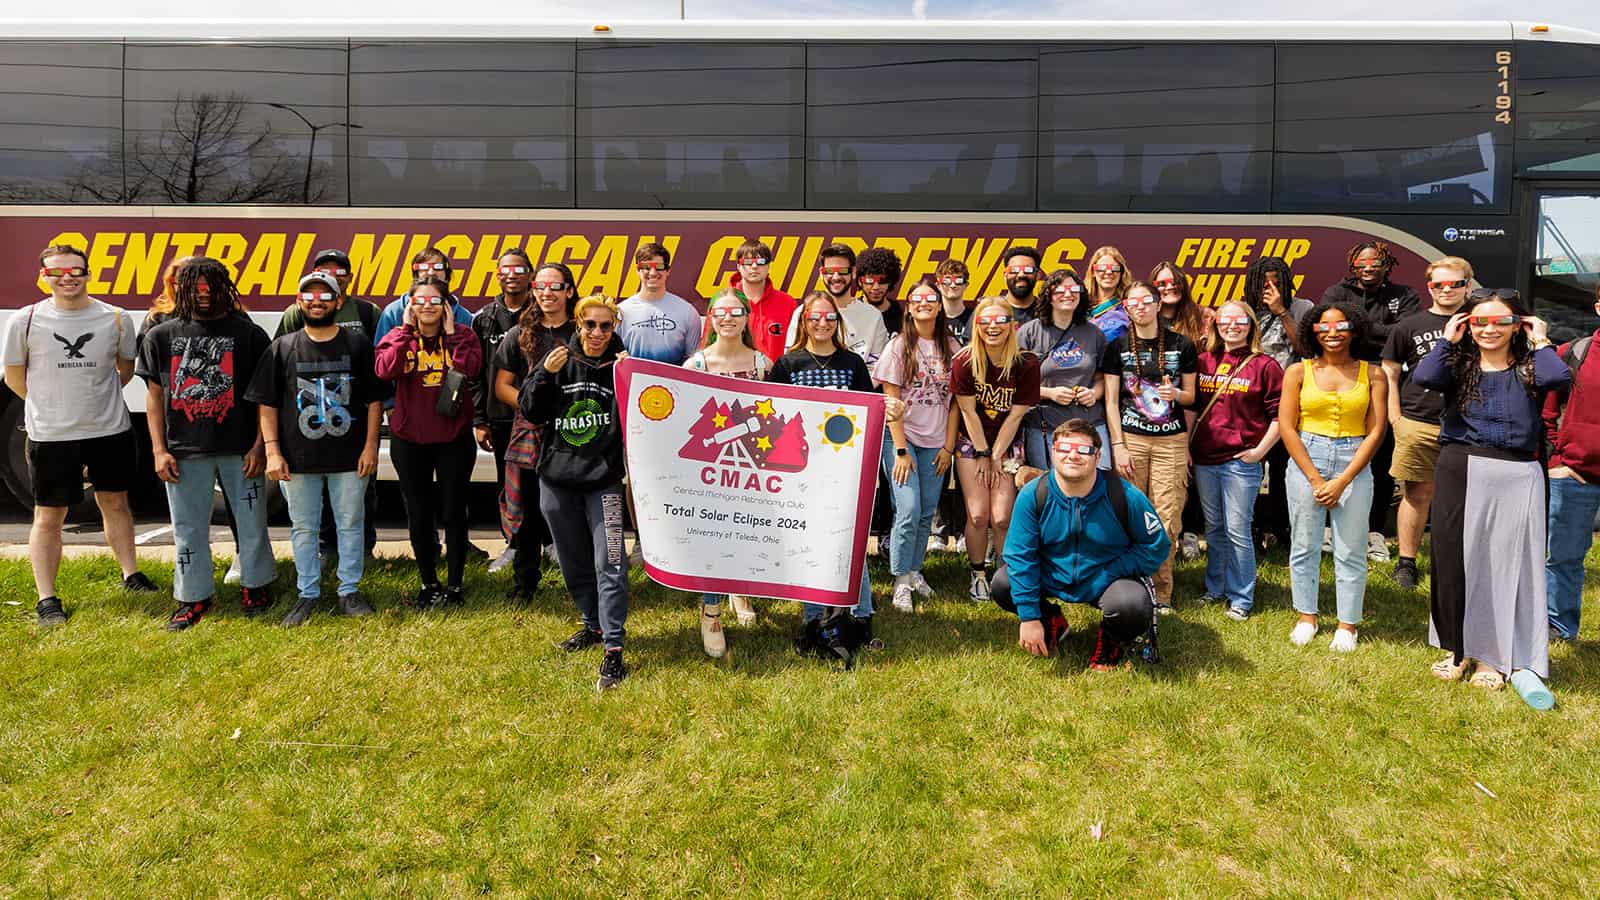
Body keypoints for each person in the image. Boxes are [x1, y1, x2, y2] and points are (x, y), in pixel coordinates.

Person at [1413, 289, 1568, 689]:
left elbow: (1558, 378)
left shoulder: (1534, 365)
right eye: (1480, 321)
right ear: (1468, 325)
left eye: (1502, 321)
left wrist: (1541, 339)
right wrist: (1448, 339)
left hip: (1517, 473)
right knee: (1453, 562)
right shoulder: (1457, 365)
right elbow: (1424, 377)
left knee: (1503, 567)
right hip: (1460, 469)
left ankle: (1492, 658)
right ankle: (1457, 650)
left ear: (1519, 325)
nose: (1490, 329)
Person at [3, 244, 158, 627]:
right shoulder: (24, 321)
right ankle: (47, 598)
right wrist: (51, 406)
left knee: (117, 503)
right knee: (49, 516)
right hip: (51, 435)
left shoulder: (117, 319)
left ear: (88, 274)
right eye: (57, 272)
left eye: (75, 270)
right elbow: (15, 378)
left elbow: (123, 372)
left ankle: (131, 575)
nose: (67, 278)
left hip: (110, 430)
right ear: (44, 277)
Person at [137, 256, 275, 630]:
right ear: (179, 289)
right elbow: (153, 398)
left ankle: (256, 586)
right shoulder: (160, 336)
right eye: (193, 288)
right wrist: (158, 449)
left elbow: (264, 395)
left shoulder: (249, 333)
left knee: (251, 523)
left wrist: (260, 445)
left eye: (209, 287)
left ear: (222, 288)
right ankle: (193, 597)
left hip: (240, 449)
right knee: (188, 527)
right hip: (184, 449)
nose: (202, 295)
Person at [246, 271, 384, 627]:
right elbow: (267, 404)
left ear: (339, 302)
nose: (317, 301)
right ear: (299, 301)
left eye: (326, 295)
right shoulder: (283, 347)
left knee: (350, 523)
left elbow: (373, 401)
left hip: (350, 456)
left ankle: (348, 591)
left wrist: (370, 446)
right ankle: (307, 594)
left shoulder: (357, 345)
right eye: (310, 295)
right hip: (297, 459)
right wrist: (273, 452)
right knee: (304, 528)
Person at [521, 294, 632, 691]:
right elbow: (531, 412)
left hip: (603, 482)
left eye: (606, 326)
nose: (598, 333)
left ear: (614, 328)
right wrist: (542, 376)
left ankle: (614, 649)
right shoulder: (557, 360)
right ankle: (592, 625)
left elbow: (648, 414)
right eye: (591, 325)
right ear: (578, 325)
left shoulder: (624, 367)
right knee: (572, 561)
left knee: (612, 562)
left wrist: (633, 378)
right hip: (557, 480)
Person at [995, 419, 1171, 670]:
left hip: (1107, 578)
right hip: (1053, 574)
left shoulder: (1124, 495)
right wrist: (1029, 617)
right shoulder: (1033, 494)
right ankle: (1051, 621)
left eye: (1084, 450)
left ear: (1098, 456)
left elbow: (1156, 546)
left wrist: (1110, 572)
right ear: (1053, 452)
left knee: (1132, 604)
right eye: (1064, 449)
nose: (1073, 456)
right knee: (1004, 583)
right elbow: (1020, 556)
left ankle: (1111, 640)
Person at [767, 292, 879, 647]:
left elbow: (869, 414)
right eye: (815, 317)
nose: (822, 323)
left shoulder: (854, 363)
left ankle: (860, 615)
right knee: (810, 543)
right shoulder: (788, 364)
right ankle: (814, 619)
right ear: (804, 321)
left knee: (851, 541)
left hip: (846, 468)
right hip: (802, 469)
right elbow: (771, 416)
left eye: (829, 318)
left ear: (838, 322)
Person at [1277, 302, 1388, 652]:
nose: (1332, 332)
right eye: (1324, 326)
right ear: (1313, 329)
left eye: (1341, 326)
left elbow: (1377, 431)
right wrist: (1313, 478)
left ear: (1354, 329)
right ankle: (1307, 616)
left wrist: (1342, 480)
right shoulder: (1298, 371)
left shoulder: (1373, 374)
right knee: (1304, 543)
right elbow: (1286, 426)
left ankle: (1347, 624)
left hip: (1353, 460)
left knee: (1351, 547)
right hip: (1306, 458)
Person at [375, 277, 484, 609]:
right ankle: (428, 582)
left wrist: (451, 337)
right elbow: (383, 370)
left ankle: (454, 585)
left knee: (453, 511)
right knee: (419, 512)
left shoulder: (463, 337)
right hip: (409, 440)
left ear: (446, 306)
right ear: (409, 306)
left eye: (434, 301)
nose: (427, 306)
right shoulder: (398, 337)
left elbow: (472, 370)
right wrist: (407, 333)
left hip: (453, 439)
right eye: (419, 300)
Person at [684, 288, 776, 653]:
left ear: (746, 316)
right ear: (711, 318)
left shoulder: (762, 364)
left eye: (735, 311)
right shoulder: (695, 366)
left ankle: (743, 591)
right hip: (712, 472)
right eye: (719, 311)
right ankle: (711, 612)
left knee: (747, 536)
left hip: (753, 468)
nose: (727, 318)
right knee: (715, 540)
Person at [1321, 241, 1421, 564]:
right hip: (1341, 381)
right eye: (1362, 263)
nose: (1368, 268)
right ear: (1353, 263)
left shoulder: (1406, 296)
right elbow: (1329, 329)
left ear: (1386, 265)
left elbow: (1403, 334)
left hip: (1386, 383)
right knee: (1335, 453)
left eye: (1375, 263)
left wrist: (1360, 328)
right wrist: (1379, 333)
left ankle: (1374, 534)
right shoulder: (1336, 292)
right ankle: (1327, 530)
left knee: (1379, 460)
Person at [1102, 280, 1198, 612]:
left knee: (1166, 518)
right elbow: (1111, 402)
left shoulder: (1181, 345)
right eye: (1133, 303)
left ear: (1158, 304)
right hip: (1131, 439)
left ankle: (1161, 593)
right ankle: (1129, 589)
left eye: (1146, 301)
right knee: (1129, 517)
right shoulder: (1116, 348)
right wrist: (1118, 445)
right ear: (1126, 309)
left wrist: (1177, 396)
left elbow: (1191, 397)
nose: (1140, 307)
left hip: (1170, 441)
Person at [1380, 257, 1471, 590]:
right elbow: (1389, 372)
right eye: (1439, 284)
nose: (1446, 290)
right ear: (1429, 287)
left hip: (1469, 426)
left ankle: (1459, 562)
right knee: (1416, 495)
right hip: (1418, 421)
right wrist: (1395, 417)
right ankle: (1407, 562)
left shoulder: (1481, 324)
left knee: (1466, 498)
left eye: (1454, 284)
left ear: (1467, 286)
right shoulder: (1409, 325)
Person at [1190, 301, 1283, 620]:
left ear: (1251, 325)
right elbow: (1191, 407)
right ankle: (1215, 588)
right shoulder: (1203, 361)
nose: (1232, 326)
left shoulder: (1265, 365)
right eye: (1225, 320)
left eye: (1240, 320)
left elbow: (1281, 417)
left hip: (1240, 461)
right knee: (1214, 528)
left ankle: (1241, 597)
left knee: (1238, 529)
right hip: (1205, 458)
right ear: (1215, 324)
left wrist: (1259, 452)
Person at [492, 263, 577, 600]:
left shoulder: (584, 333)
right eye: (540, 286)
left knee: (570, 510)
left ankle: (578, 582)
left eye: (555, 287)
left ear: (569, 291)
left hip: (572, 432)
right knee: (527, 512)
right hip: (530, 434)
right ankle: (525, 583)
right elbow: (502, 386)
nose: (546, 293)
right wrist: (531, 407)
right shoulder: (519, 335)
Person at [874, 277, 959, 612]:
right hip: (902, 439)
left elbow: (955, 403)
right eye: (917, 299)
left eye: (930, 299)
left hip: (936, 443)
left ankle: (915, 570)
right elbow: (890, 401)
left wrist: (948, 448)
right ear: (908, 307)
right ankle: (899, 580)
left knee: (926, 512)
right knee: (907, 509)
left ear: (939, 307)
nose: (924, 303)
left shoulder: (952, 348)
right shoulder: (898, 347)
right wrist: (899, 450)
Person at [951, 297, 1040, 602]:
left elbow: (1016, 414)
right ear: (976, 325)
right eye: (985, 321)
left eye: (1001, 320)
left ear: (1012, 326)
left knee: (1002, 516)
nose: (993, 327)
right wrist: (983, 454)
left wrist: (996, 454)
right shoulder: (964, 361)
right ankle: (977, 575)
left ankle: (1004, 577)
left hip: (1008, 442)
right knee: (977, 514)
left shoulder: (1026, 363)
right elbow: (968, 412)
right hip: (971, 443)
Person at [1243, 256, 1313, 551]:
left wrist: (1281, 311)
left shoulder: (1303, 307)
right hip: (1251, 401)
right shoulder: (1245, 310)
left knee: (1286, 469)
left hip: (1290, 401)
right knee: (1251, 468)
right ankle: (1253, 527)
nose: (1269, 286)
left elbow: (1307, 348)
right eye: (1264, 281)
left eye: (1276, 281)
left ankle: (1282, 527)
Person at [1544, 280, 1600, 642]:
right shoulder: (1573, 352)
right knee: (1563, 558)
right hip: (1575, 475)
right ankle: (1560, 629)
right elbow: (1547, 413)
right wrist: (1555, 460)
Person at [1016, 267, 1109, 471]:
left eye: (1073, 289)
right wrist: (1049, 393)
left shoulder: (1095, 334)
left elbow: (1102, 379)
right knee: (1052, 491)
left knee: (1099, 488)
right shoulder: (1029, 332)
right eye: (1059, 290)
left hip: (1091, 426)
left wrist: (1093, 393)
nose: (1067, 294)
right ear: (1048, 296)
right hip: (1045, 428)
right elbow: (1014, 385)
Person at [1151, 260, 1209, 559]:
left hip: (1193, 405)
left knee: (1192, 470)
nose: (1168, 287)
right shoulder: (1146, 319)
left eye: (1174, 282)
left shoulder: (1203, 319)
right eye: (1161, 283)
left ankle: (1190, 534)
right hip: (1152, 412)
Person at [473, 249, 538, 517]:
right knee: (507, 482)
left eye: (519, 270)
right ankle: (512, 542)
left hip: (538, 417)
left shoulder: (541, 313)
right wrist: (479, 420)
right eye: (506, 270)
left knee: (540, 481)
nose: (512, 276)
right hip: (500, 417)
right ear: (498, 276)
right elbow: (475, 375)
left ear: (531, 275)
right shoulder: (483, 319)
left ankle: (548, 543)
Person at [787, 243, 889, 366]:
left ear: (854, 272)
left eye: (843, 271)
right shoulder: (802, 312)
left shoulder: (873, 316)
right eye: (829, 271)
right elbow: (790, 359)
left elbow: (878, 367)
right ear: (821, 273)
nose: (836, 277)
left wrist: (853, 384)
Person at [617, 242, 700, 365]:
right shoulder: (621, 312)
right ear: (637, 270)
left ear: (668, 270)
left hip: (674, 383)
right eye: (646, 267)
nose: (652, 272)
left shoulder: (687, 312)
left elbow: (693, 361)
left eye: (659, 267)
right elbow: (615, 356)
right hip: (633, 382)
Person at [274, 248, 383, 342]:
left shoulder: (369, 311)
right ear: (314, 274)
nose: (333, 276)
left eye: (340, 272)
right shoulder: (296, 313)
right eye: (325, 271)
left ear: (350, 277)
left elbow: (380, 355)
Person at [726, 238, 796, 364]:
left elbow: (798, 346)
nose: (754, 266)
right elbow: (709, 344)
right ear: (738, 266)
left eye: (761, 261)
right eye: (748, 262)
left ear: (768, 266)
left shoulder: (788, 303)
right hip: (735, 377)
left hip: (777, 379)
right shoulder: (724, 302)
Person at [1085, 245, 1133, 344]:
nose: (1108, 272)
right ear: (1093, 272)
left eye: (1115, 268)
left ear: (1121, 273)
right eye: (1102, 268)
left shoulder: (1129, 306)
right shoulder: (1080, 305)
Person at [856, 246, 904, 336]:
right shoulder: (850, 314)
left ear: (890, 282)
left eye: (882, 281)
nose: (876, 287)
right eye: (869, 281)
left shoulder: (901, 316)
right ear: (859, 281)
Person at [997, 246, 1043, 328]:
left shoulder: (1048, 311)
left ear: (1038, 275)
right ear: (1005, 274)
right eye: (1014, 270)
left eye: (1028, 270)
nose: (1021, 274)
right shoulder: (988, 310)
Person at [936, 257, 975, 344]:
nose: (953, 285)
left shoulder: (975, 318)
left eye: (958, 280)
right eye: (947, 280)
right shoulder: (932, 318)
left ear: (966, 285)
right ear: (938, 285)